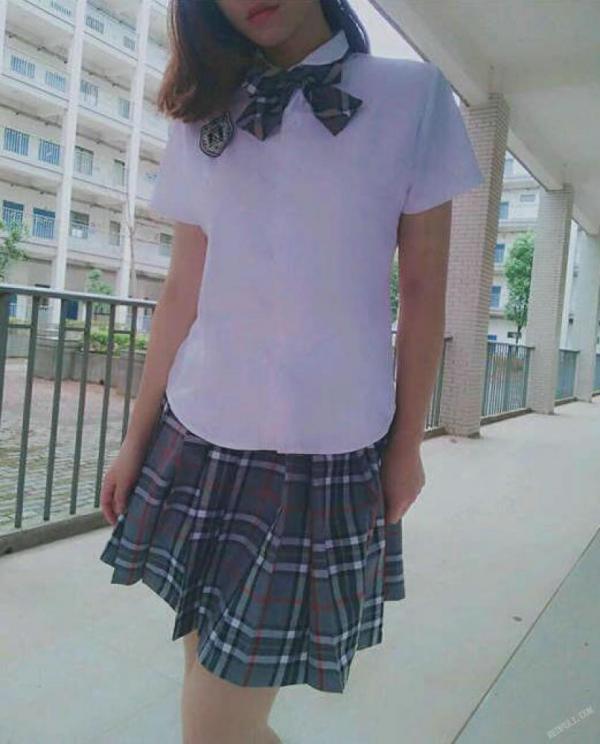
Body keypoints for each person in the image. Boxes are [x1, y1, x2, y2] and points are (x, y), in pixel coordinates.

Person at [99, 0, 484, 741]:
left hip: (324, 455)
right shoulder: (204, 111)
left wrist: (406, 447)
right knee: (209, 688)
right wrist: (134, 439)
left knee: (214, 724)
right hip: (200, 435)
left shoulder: (412, 96)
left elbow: (424, 291)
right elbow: (182, 293)